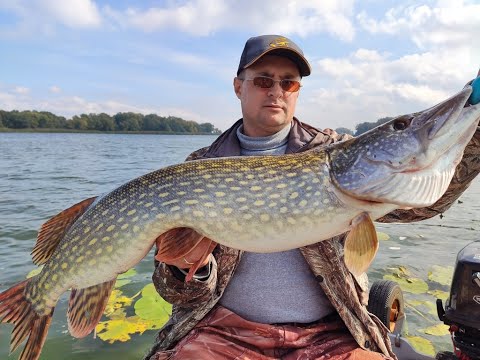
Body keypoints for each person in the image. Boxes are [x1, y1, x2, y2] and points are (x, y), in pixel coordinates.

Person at [144, 35, 480, 360]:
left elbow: (426, 202)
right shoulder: (199, 169)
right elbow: (178, 293)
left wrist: (475, 127)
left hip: (329, 334)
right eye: (263, 81)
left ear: (297, 91)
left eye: (288, 83)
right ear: (238, 87)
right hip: (225, 334)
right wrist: (190, 268)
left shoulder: (334, 151)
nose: (277, 91)